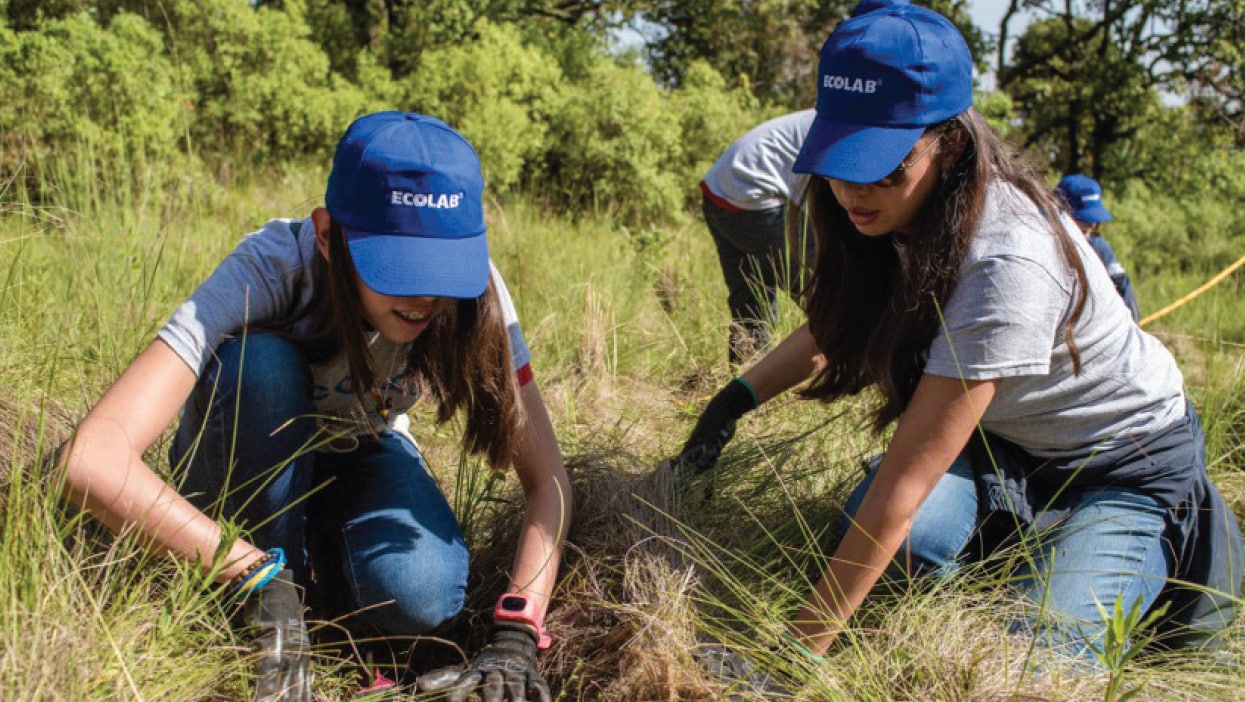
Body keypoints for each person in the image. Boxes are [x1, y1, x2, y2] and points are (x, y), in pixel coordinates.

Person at [673, 3, 1242, 682]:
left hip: (1120, 465)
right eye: (839, 161)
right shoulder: (885, 213)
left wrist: (786, 663)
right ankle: (1023, 546)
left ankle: (1127, 552)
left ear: (948, 143)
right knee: (907, 551)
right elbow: (840, 323)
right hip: (1004, 446)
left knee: (1034, 659)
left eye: (884, 166)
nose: (854, 190)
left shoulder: (1008, 260)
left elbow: (905, 482)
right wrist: (733, 400)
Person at [57, 111, 571, 702]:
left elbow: (548, 479)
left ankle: (317, 574)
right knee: (264, 370)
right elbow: (90, 459)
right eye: (400, 269)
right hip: (251, 448)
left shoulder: (478, 293)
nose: (426, 296)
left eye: (442, 271)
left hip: (363, 447)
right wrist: (251, 573)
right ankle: (268, 588)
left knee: (423, 596)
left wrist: (517, 631)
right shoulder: (270, 267)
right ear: (328, 234)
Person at [700, 109, 816, 366]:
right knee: (823, 291)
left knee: (751, 298)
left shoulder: (820, 118)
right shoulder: (836, 122)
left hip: (717, 192)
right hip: (753, 194)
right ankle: (860, 364)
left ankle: (743, 374)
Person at [1055, 173, 1141, 321]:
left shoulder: (1097, 244)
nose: (1090, 230)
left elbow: (1121, 282)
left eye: (1093, 225)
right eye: (1083, 229)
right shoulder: (1042, 247)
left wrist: (1134, 326)